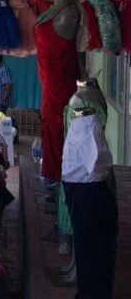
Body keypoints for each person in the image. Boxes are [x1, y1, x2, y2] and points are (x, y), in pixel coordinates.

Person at [62, 107, 117, 299]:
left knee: (90, 251)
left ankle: (90, 292)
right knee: (94, 251)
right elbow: (99, 167)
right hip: (88, 194)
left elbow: (95, 167)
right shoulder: (87, 130)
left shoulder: (83, 130)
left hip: (83, 193)